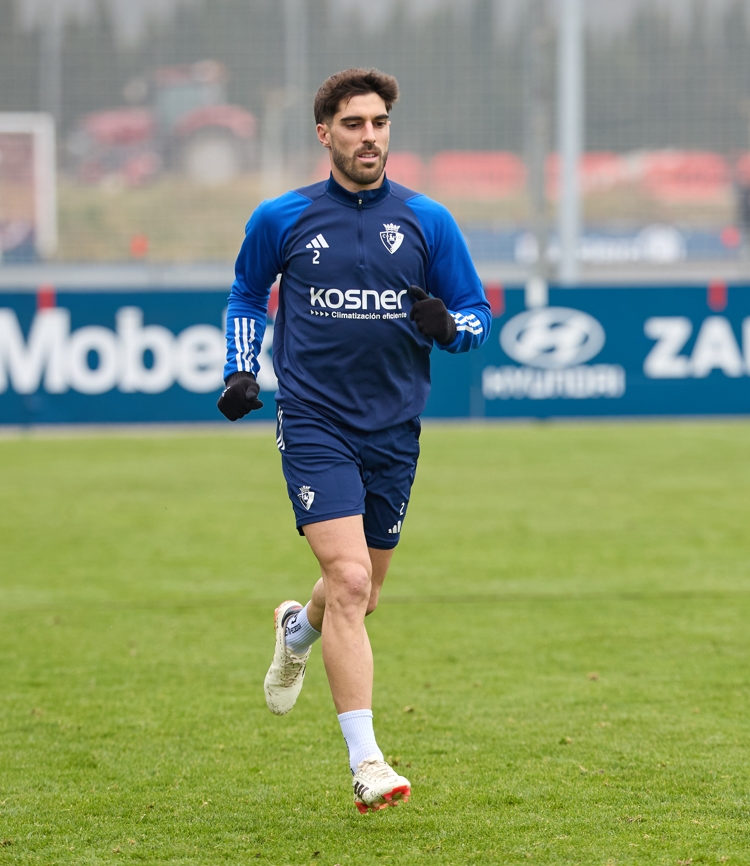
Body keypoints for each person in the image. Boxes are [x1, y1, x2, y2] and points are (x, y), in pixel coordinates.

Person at [217, 68, 491, 813]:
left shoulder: (428, 221)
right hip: (313, 421)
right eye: (353, 124)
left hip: (394, 430)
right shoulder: (283, 217)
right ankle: (366, 760)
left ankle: (294, 631)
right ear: (324, 133)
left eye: (378, 123)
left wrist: (451, 330)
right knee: (348, 581)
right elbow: (246, 292)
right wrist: (241, 370)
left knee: (359, 595)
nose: (368, 136)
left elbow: (476, 313)